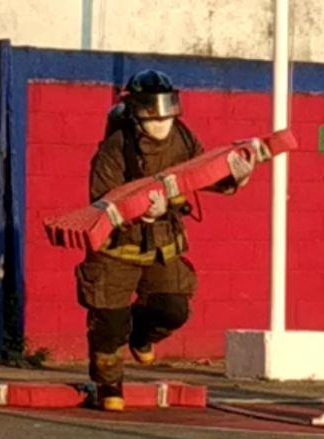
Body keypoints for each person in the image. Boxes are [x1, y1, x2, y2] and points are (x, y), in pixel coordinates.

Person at [78, 69, 258, 411]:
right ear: (135, 110)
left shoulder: (183, 138)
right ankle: (108, 385)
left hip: (162, 244)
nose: (161, 116)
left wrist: (235, 177)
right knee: (109, 325)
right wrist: (139, 209)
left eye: (167, 105)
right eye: (151, 107)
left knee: (173, 308)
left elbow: (203, 170)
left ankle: (142, 336)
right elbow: (101, 198)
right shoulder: (115, 149)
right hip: (118, 248)